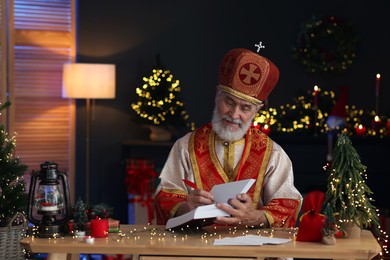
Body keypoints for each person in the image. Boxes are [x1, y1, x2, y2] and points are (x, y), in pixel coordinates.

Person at [154, 48, 302, 229]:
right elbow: (164, 199)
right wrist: (186, 207)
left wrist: (255, 216)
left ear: (257, 110)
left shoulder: (273, 153)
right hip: (197, 252)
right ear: (217, 96)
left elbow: (287, 204)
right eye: (229, 102)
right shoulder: (185, 146)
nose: (234, 114)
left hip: (252, 251)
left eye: (245, 108)